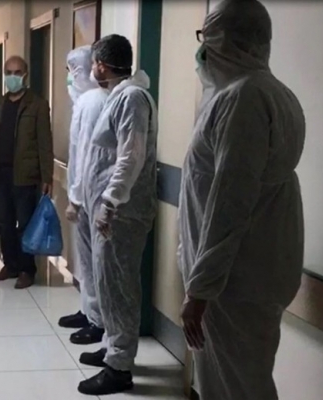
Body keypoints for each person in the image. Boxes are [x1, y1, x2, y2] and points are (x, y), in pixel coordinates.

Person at [178, 1, 306, 399]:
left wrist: (201, 289)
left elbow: (230, 202)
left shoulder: (243, 98)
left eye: (206, 36)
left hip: (233, 283)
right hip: (249, 273)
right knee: (239, 381)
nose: (201, 49)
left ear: (223, 40)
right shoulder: (274, 92)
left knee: (237, 387)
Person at [76, 35, 158, 396]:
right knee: (109, 284)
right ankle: (113, 347)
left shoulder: (132, 98)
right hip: (110, 212)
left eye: (94, 63)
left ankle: (119, 367)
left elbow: (130, 156)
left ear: (101, 65)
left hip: (122, 214)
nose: (92, 69)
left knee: (120, 288)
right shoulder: (120, 96)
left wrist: (110, 202)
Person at [0, 55, 54, 289]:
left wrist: (47, 176)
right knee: (4, 223)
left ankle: (26, 269)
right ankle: (10, 265)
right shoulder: (0, 106)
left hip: (25, 175)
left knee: (24, 224)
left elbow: (45, 142)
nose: (12, 77)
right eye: (9, 73)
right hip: (0, 175)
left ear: (25, 75)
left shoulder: (37, 105)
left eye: (17, 72)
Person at [58, 45, 111, 348]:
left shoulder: (94, 103)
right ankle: (88, 310)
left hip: (91, 195)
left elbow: (86, 156)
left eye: (71, 70)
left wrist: (76, 197)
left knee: (96, 262)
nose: (69, 77)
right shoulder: (85, 101)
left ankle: (98, 321)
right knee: (87, 261)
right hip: (86, 194)